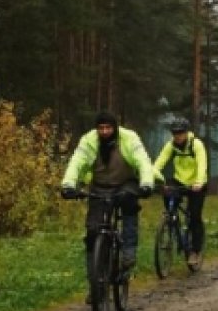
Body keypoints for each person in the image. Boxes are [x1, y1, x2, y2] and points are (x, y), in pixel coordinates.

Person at [60, 111, 155, 277]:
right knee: (92, 233)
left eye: (108, 128)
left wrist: (146, 184)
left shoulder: (129, 138)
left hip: (125, 183)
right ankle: (94, 283)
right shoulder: (89, 140)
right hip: (99, 186)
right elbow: (76, 162)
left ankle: (128, 251)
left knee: (129, 205)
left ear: (115, 128)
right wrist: (68, 185)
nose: (104, 132)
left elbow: (142, 161)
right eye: (101, 128)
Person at [153, 117, 208, 268]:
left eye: (181, 133)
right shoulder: (171, 145)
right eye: (175, 133)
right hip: (179, 180)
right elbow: (158, 163)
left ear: (186, 132)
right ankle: (170, 218)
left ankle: (195, 251)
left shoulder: (196, 144)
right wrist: (154, 177)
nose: (178, 136)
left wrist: (199, 182)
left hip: (197, 183)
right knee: (167, 190)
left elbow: (202, 164)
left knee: (195, 216)